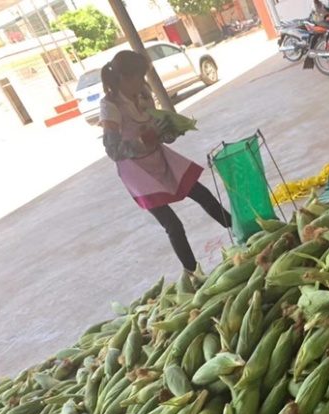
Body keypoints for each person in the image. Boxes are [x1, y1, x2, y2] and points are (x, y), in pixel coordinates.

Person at [99, 50, 232, 273]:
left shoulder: (141, 94)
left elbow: (157, 125)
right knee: (173, 225)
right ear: (124, 78)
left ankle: (240, 229)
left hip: (159, 159)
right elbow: (113, 150)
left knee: (203, 195)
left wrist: (170, 130)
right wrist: (141, 142)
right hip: (138, 172)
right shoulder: (110, 106)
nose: (142, 82)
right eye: (139, 77)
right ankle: (194, 273)